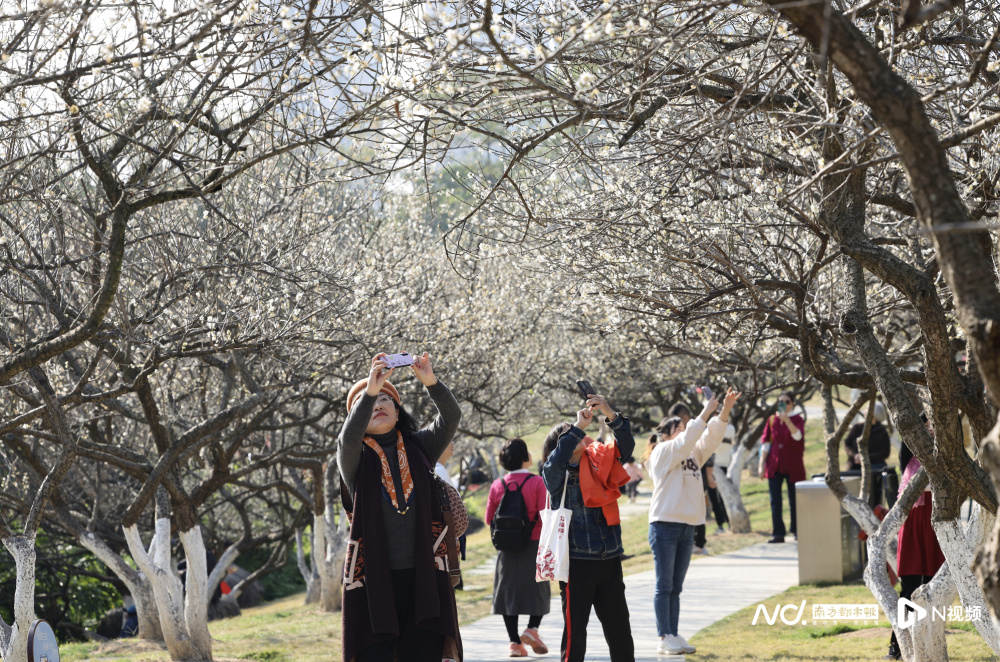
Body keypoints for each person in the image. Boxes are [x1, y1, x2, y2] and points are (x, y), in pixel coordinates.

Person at [337, 352, 463, 662]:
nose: (378, 404)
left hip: (424, 577)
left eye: (385, 399)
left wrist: (430, 382)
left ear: (398, 410)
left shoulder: (421, 446)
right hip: (373, 582)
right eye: (368, 403)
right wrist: (369, 389)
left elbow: (451, 417)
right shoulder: (353, 459)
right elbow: (346, 440)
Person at [541, 393, 635, 662]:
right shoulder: (556, 475)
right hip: (577, 564)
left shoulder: (599, 462)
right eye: (571, 435)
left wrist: (608, 411)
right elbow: (556, 461)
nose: (582, 438)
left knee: (620, 632)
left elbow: (626, 445)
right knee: (574, 638)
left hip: (609, 558)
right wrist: (577, 426)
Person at [647, 388, 741, 655]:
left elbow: (711, 438)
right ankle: (664, 636)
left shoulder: (692, 455)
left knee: (676, 586)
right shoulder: (663, 452)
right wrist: (704, 411)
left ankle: (674, 633)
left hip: (688, 526)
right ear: (666, 434)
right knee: (664, 585)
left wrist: (724, 409)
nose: (685, 430)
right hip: (664, 524)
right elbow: (687, 439)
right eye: (680, 427)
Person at [886, 415, 945, 660]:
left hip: (935, 523)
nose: (929, 429)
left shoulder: (944, 451)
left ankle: (930, 642)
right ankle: (898, 645)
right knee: (909, 585)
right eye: (925, 424)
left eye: (932, 424)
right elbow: (918, 484)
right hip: (912, 524)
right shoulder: (911, 460)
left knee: (933, 584)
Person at [485, 438, 550, 658]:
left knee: (508, 594)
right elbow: (545, 516)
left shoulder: (497, 484)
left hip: (506, 547)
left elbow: (488, 519)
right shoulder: (537, 482)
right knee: (538, 590)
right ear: (525, 458)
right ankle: (532, 629)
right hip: (533, 542)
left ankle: (514, 643)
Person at [758, 392, 805, 544]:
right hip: (774, 465)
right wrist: (761, 464)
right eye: (781, 402)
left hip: (793, 465)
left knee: (794, 499)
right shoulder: (772, 420)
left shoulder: (797, 419)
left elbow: (798, 436)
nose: (784, 404)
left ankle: (797, 530)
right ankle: (778, 533)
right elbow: (765, 443)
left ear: (792, 404)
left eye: (787, 401)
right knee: (775, 501)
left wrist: (787, 421)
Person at [844, 406, 892, 508]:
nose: (865, 415)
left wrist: (866, 458)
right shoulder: (857, 428)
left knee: (872, 500)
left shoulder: (882, 432)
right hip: (854, 468)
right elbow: (847, 443)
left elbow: (885, 453)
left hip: (873, 470)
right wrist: (854, 455)